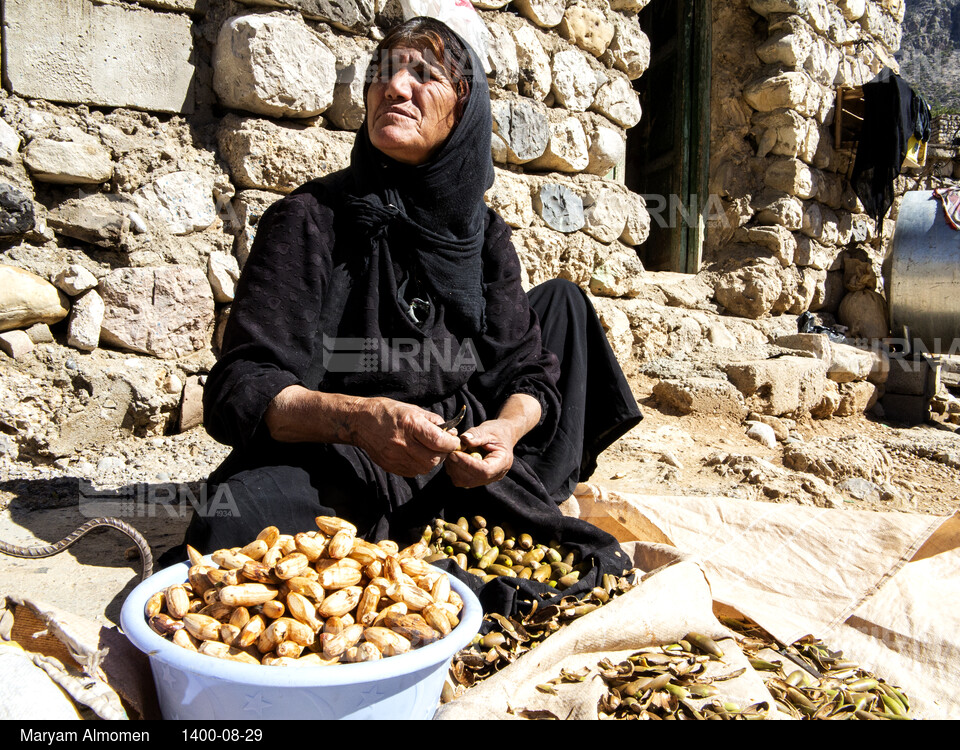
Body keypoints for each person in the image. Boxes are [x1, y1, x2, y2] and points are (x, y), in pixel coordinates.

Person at [164, 18, 642, 608]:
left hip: (447, 445)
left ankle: (504, 484)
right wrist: (359, 421)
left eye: (425, 75)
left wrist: (506, 431)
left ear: (461, 112)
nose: (396, 89)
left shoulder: (482, 232)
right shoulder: (309, 219)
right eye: (383, 76)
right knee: (234, 526)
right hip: (335, 447)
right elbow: (241, 389)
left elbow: (525, 371)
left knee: (563, 310)